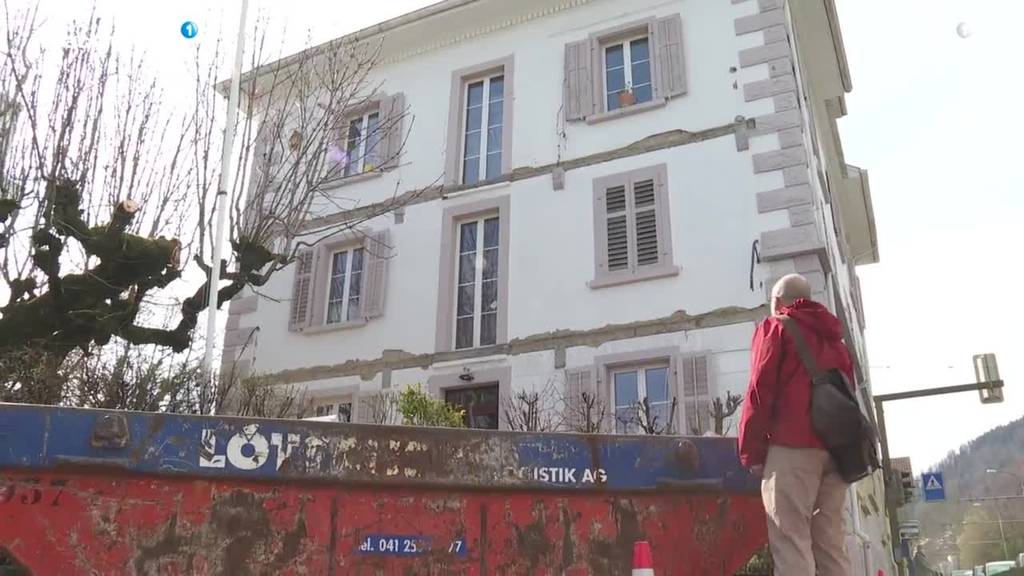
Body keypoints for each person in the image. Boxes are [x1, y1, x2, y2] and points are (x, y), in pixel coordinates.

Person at [738, 273, 855, 576]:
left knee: (791, 540)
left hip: (793, 447)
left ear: (776, 302)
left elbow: (759, 390)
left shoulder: (776, 326)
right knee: (831, 544)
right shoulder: (835, 339)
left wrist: (751, 452)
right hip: (837, 451)